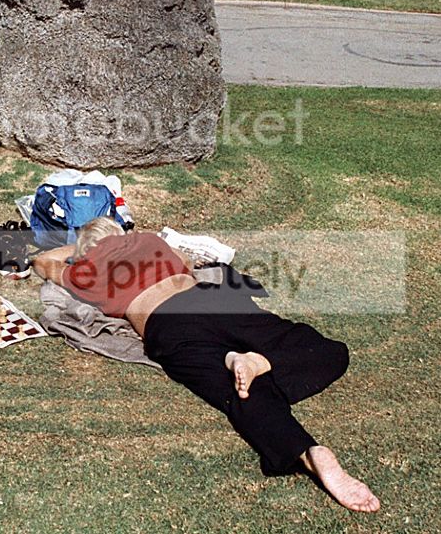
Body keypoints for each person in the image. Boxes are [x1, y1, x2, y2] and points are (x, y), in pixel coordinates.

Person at [33, 217, 380, 513]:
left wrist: (79, 253)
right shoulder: (150, 241)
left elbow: (45, 261)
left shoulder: (89, 271)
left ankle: (308, 451)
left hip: (167, 325)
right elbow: (186, 261)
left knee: (238, 394)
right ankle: (260, 359)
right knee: (326, 350)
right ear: (119, 233)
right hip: (215, 301)